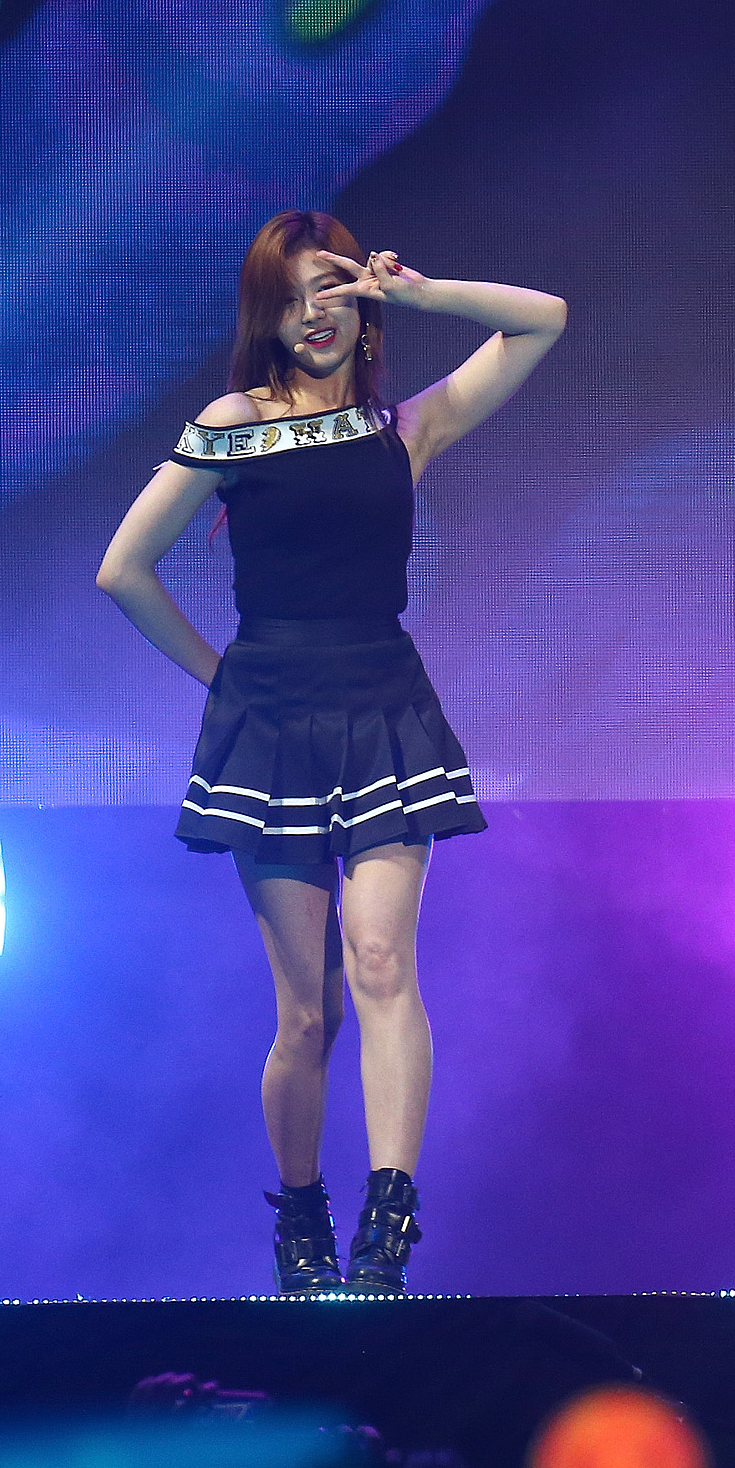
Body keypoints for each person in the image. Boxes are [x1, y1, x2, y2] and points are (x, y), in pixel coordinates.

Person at [97, 212, 568, 1294]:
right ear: (264, 316)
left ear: (363, 302)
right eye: (290, 295)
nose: (314, 312)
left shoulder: (403, 428)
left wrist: (423, 292)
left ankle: (388, 1219)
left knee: (384, 962)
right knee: (307, 1011)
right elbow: (123, 568)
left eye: (332, 288)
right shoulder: (233, 425)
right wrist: (223, 679)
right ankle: (301, 1212)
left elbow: (543, 320)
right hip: (271, 719)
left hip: (383, 702)